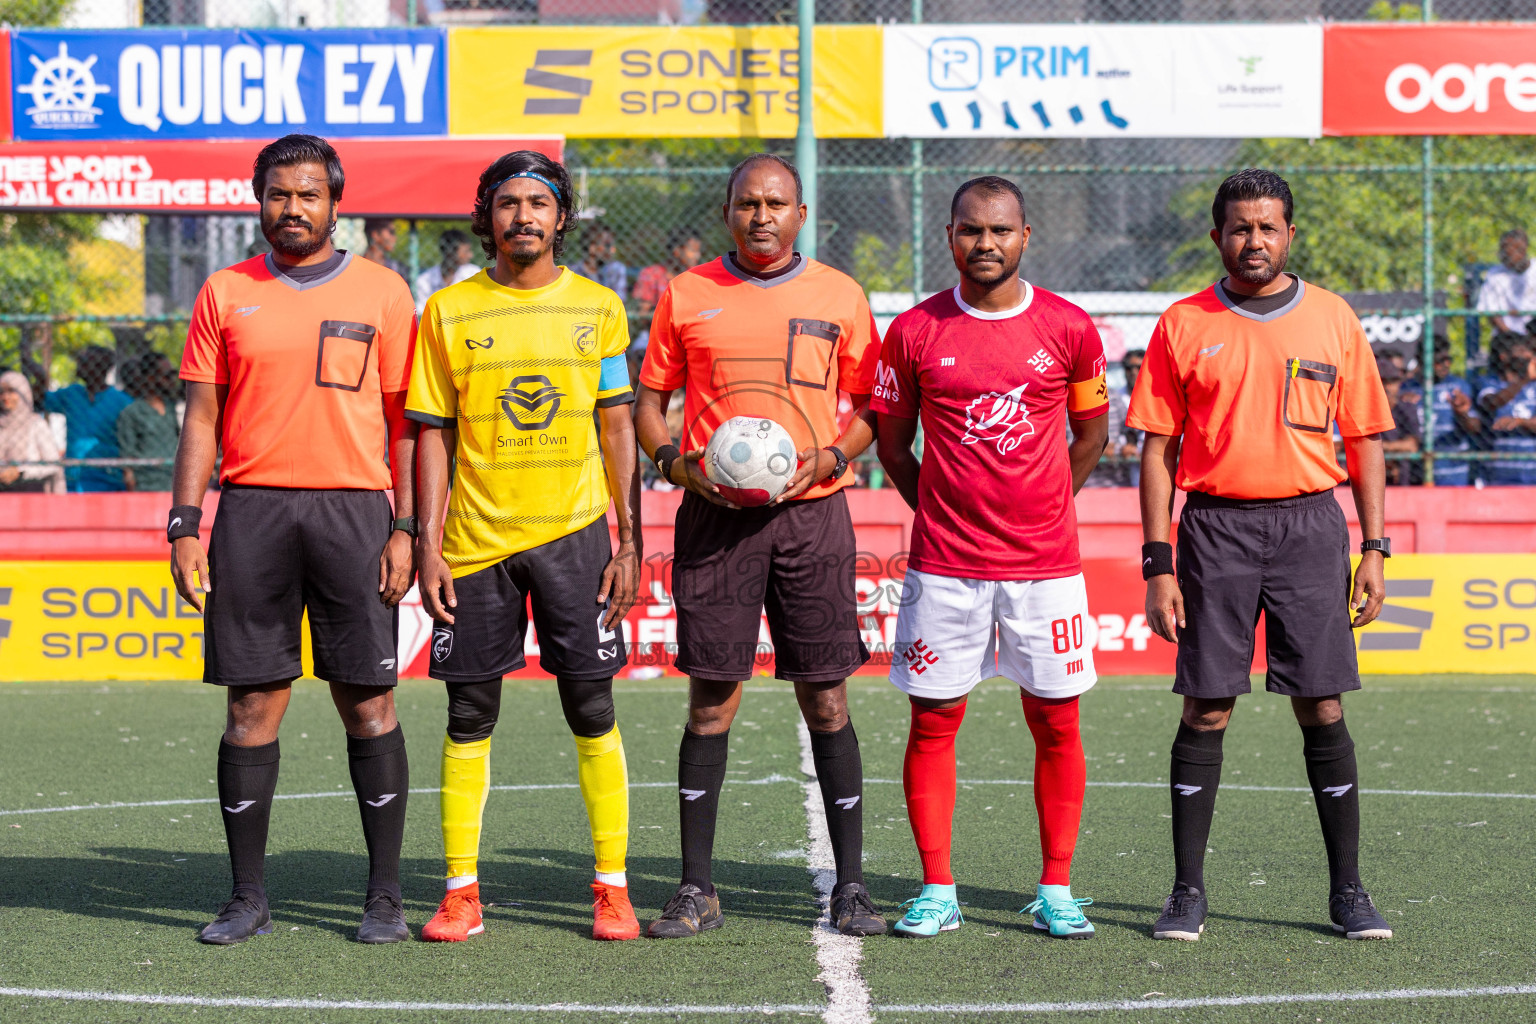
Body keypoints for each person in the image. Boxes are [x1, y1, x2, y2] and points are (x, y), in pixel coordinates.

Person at [1128, 168, 1395, 943]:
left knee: (1323, 704)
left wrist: (1374, 548)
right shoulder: (1182, 323)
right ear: (1217, 237)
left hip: (1312, 528)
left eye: (1268, 227)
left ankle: (1348, 893)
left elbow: (1364, 441)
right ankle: (1186, 893)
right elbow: (1158, 449)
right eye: (1239, 228)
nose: (1254, 241)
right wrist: (1158, 560)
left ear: (1289, 234)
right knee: (1207, 706)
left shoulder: (1334, 319)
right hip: (1215, 529)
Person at [168, 134, 418, 946]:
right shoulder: (224, 291)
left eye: (309, 194)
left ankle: (384, 898)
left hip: (355, 516)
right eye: (279, 195)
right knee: (250, 707)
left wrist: (408, 526)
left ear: (336, 204)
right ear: (259, 201)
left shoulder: (384, 292)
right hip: (252, 515)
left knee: (369, 703)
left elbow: (405, 427)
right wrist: (185, 523)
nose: (293, 209)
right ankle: (247, 897)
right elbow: (201, 418)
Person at [633, 153, 887, 939]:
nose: (763, 216)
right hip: (714, 519)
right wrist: (675, 465)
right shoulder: (688, 294)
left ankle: (851, 887)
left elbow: (871, 408)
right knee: (711, 700)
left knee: (828, 696)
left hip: (813, 516)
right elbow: (650, 407)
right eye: (748, 204)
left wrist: (834, 457)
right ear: (728, 213)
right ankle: (695, 887)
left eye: (777, 203)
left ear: (801, 214)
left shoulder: (840, 295)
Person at [408, 151, 644, 944]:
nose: (523, 217)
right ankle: (461, 891)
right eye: (507, 203)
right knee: (469, 712)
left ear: (561, 215)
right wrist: (429, 544)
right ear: (488, 217)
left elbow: (617, 426)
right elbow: (430, 435)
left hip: (576, 538)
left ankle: (611, 886)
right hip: (475, 544)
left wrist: (629, 539)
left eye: (538, 202)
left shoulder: (601, 308)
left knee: (592, 705)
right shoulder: (446, 311)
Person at [873, 176, 1110, 940]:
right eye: (971, 231)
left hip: (1047, 569)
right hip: (945, 568)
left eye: (1000, 231)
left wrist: (1046, 506)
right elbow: (889, 443)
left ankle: (1056, 886)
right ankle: (938, 888)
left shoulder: (1070, 328)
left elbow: (1093, 435)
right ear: (949, 236)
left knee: (1058, 725)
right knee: (935, 723)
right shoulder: (913, 331)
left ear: (1025, 237)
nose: (986, 244)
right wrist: (938, 510)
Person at [43, 345, 131, 492]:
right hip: (73, 479)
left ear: (100, 367)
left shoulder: (122, 402)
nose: (79, 365)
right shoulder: (72, 394)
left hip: (108, 479)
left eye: (85, 361)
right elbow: (41, 398)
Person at [1402, 340, 1481, 486]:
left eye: (1448, 360)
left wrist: (1462, 413)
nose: (1446, 365)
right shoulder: (1406, 389)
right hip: (1417, 472)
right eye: (1439, 361)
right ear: (1421, 360)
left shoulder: (1459, 386)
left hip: (1455, 472)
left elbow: (1475, 427)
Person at [117, 352, 180, 493]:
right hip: (147, 488)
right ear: (151, 378)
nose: (172, 380)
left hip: (174, 485)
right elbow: (127, 462)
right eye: (167, 376)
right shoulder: (132, 413)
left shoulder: (171, 409)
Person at [1478, 337, 1536, 484]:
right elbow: (1493, 402)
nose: (1529, 356)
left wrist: (1521, 422)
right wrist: (1524, 380)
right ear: (1504, 357)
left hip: (1532, 474)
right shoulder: (1487, 382)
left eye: (1530, 351)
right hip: (1496, 475)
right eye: (1522, 351)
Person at [0, 370, 64, 493]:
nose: (5, 397)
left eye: (12, 391)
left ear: (24, 392)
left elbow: (53, 463)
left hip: (32, 494)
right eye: (1, 392)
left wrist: (21, 471)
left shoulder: (35, 424)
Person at [1476, 229, 1536, 335]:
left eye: (1507, 252)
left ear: (1522, 250)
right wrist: (1509, 334)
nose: (1502, 256)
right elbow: (1491, 312)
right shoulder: (1495, 274)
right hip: (1506, 336)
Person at [633, 228, 703, 318]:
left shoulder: (695, 276)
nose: (698, 255)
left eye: (698, 251)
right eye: (693, 250)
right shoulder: (651, 274)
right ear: (677, 251)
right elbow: (643, 314)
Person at [1376, 357, 1421, 486]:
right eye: (1382, 381)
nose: (1387, 387)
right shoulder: (1363, 409)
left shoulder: (1406, 409)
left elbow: (1411, 446)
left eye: (1392, 381)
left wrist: (1382, 448)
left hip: (1402, 479)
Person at [413, 229, 480, 312]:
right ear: (450, 252)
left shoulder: (473, 274)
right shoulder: (424, 280)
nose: (470, 255)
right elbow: (421, 312)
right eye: (466, 251)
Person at [571, 221, 629, 301]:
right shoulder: (573, 273)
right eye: (607, 245)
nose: (613, 250)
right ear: (592, 247)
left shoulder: (616, 269)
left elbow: (618, 301)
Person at [362, 217, 408, 281]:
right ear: (376, 235)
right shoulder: (356, 266)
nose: (395, 238)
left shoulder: (397, 268)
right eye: (391, 232)